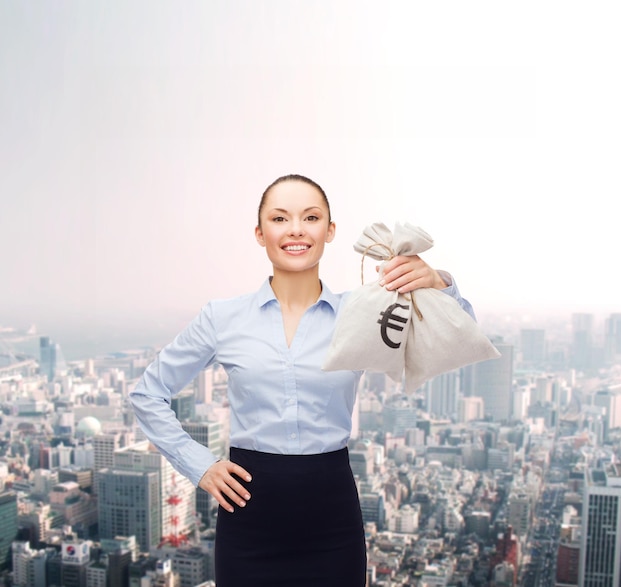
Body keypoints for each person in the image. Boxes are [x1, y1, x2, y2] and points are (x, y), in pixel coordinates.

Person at [129, 174, 475, 586]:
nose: (295, 229)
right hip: (247, 516)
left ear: (329, 231)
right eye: (279, 218)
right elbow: (148, 392)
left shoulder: (360, 313)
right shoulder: (222, 318)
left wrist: (440, 285)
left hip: (332, 518)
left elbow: (457, 339)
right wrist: (199, 465)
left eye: (310, 217)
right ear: (260, 234)